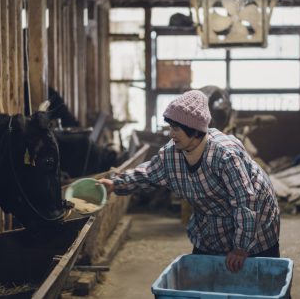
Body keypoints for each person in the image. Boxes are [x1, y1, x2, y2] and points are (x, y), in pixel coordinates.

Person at [99, 90, 280, 273]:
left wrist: (241, 248)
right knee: (205, 278)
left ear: (195, 131)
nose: (171, 134)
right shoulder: (172, 154)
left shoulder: (225, 156)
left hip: (256, 220)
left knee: (258, 278)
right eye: (170, 128)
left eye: (176, 129)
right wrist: (115, 184)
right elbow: (148, 173)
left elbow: (245, 201)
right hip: (212, 220)